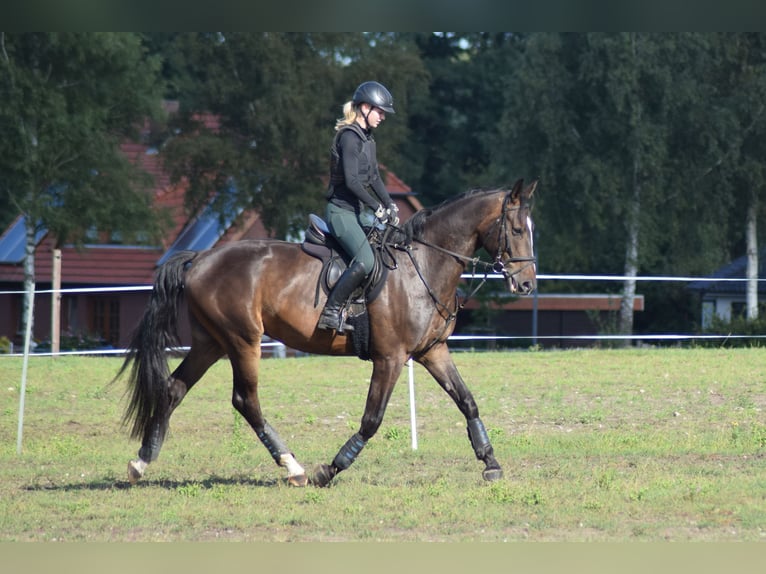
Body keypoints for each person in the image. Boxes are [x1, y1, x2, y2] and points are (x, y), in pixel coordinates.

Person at [317, 80, 400, 333]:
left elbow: (374, 177)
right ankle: (330, 312)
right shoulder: (349, 138)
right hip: (340, 213)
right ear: (365, 107)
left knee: (388, 245)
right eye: (380, 111)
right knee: (366, 260)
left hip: (356, 213)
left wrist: (390, 204)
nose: (383, 116)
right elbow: (352, 182)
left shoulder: (368, 140)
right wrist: (376, 207)